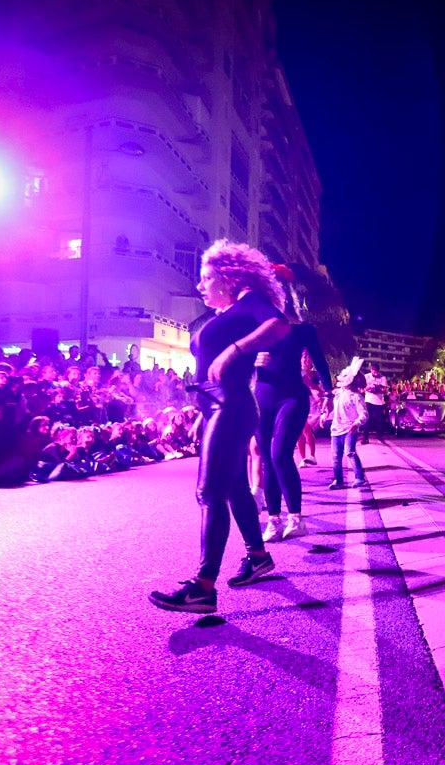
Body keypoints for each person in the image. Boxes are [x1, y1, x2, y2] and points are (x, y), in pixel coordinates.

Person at [149, 241, 290, 614]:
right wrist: (200, 414)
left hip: (232, 404)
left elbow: (279, 325)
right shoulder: (227, 313)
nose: (200, 286)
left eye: (207, 277)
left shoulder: (250, 303)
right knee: (234, 491)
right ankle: (258, 556)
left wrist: (237, 349)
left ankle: (203, 587)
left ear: (228, 278)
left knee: (208, 493)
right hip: (215, 407)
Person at [256, 264, 333, 543]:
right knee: (266, 458)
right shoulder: (257, 328)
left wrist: (329, 394)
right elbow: (238, 357)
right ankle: (273, 521)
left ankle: (296, 518)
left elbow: (322, 365)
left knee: (279, 455)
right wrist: (251, 359)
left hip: (292, 397)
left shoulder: (303, 330)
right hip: (262, 399)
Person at [328, 366, 368, 489]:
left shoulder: (356, 397)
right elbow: (334, 410)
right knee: (335, 456)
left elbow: (364, 414)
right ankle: (338, 481)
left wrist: (356, 423)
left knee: (350, 452)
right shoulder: (338, 394)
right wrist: (325, 416)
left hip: (350, 429)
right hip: (336, 430)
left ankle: (359, 477)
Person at [362, 364, 389, 443]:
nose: (375, 373)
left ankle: (380, 436)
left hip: (379, 402)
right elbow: (363, 389)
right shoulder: (366, 377)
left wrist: (378, 388)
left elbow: (384, 389)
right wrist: (369, 388)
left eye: (376, 371)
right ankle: (365, 438)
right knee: (367, 420)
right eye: (374, 371)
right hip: (369, 401)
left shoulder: (382, 378)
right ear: (371, 370)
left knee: (379, 420)